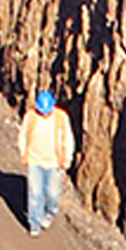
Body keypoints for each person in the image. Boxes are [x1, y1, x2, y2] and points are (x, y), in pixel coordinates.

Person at [17, 89, 76, 235]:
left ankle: (50, 213)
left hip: (54, 163)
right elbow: (23, 135)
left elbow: (68, 138)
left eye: (47, 111)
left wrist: (68, 157)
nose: (44, 114)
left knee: (53, 195)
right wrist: (23, 152)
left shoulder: (61, 117)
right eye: (42, 111)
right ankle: (34, 224)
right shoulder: (30, 116)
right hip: (35, 161)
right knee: (35, 193)